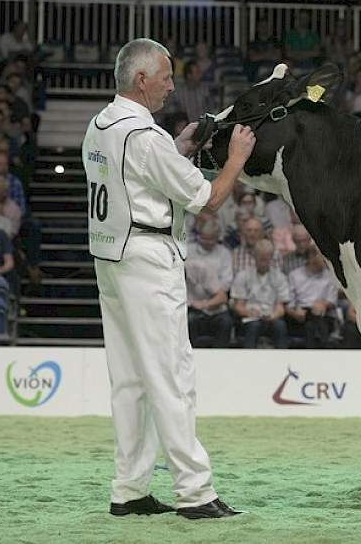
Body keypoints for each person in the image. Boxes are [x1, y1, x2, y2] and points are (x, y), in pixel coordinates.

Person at [83, 38, 255, 520]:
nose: (170, 86)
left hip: (111, 255)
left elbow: (142, 172)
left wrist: (179, 145)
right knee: (171, 376)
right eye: (166, 77)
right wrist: (236, 156)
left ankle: (129, 490)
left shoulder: (100, 126)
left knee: (131, 380)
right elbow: (210, 199)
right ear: (142, 80)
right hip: (148, 254)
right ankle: (195, 493)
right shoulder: (145, 137)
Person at [230, 239, 291, 348]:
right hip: (250, 317)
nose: (263, 262)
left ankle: (282, 358)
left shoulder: (279, 277)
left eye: (266, 259)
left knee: (280, 326)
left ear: (271, 258)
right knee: (254, 326)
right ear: (254, 256)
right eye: (260, 259)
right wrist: (248, 312)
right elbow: (238, 306)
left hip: (271, 316)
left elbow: (281, 307)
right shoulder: (243, 275)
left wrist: (273, 315)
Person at [286, 246, 340, 348]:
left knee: (312, 324)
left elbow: (332, 301)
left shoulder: (330, 276)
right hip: (300, 315)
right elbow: (289, 303)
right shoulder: (294, 275)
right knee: (311, 323)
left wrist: (324, 304)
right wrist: (294, 312)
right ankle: (324, 349)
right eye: (322, 256)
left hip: (324, 314)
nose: (326, 260)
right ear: (312, 257)